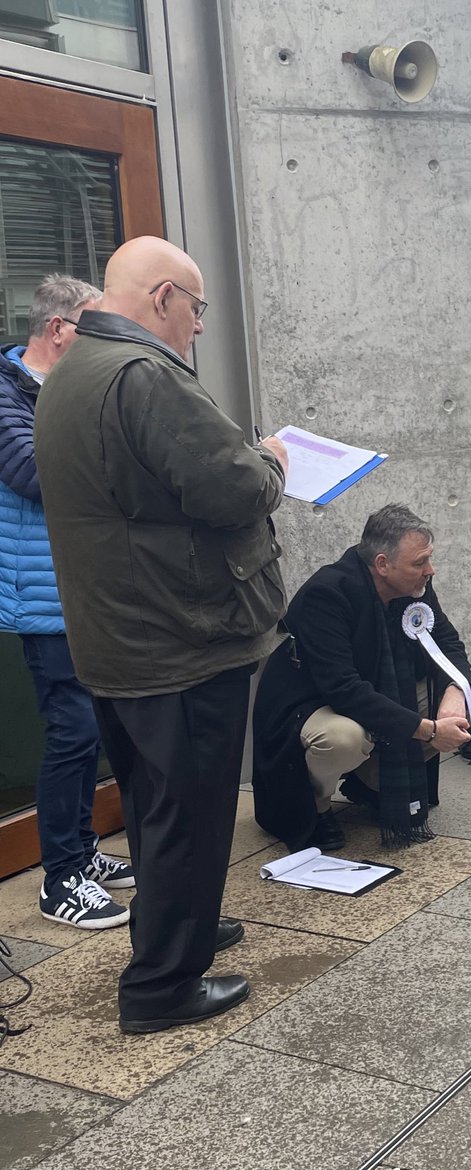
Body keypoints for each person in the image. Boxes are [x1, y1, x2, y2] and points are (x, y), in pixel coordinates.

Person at [33, 237, 289, 1035]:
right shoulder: (142, 375)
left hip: (120, 640)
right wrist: (270, 460)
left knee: (154, 809)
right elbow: (231, 487)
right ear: (164, 298)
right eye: (198, 309)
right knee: (189, 812)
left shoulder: (70, 368)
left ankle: (176, 925)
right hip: (178, 640)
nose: (200, 327)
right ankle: (162, 987)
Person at [0, 274, 135, 930]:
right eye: (93, 327)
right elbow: (33, 473)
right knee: (72, 730)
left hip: (89, 591)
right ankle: (62, 880)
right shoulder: (6, 391)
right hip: (43, 594)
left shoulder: (70, 389)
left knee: (92, 732)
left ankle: (82, 852)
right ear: (58, 330)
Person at [252, 503, 471, 851]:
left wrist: (455, 692)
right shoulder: (329, 593)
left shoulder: (416, 588)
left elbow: (448, 642)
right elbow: (344, 689)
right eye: (419, 562)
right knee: (343, 739)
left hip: (375, 693)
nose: (430, 569)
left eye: (429, 558)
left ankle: (372, 783)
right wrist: (428, 730)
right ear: (382, 564)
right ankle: (316, 809)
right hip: (314, 704)